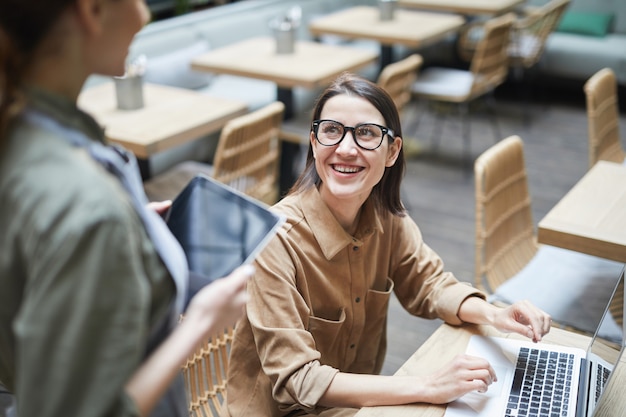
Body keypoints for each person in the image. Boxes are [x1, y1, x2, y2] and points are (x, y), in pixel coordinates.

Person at [222, 72, 552, 417]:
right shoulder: (274, 240)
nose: (346, 149)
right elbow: (300, 380)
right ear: (314, 142)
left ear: (392, 151)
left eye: (365, 133)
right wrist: (428, 385)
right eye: (332, 130)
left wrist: (495, 314)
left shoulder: (386, 219)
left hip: (354, 404)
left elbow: (429, 285)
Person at [0, 1, 251, 417]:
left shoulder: (22, 134)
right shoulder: (88, 210)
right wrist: (202, 324)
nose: (146, 15)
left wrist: (129, 235)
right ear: (91, 10)